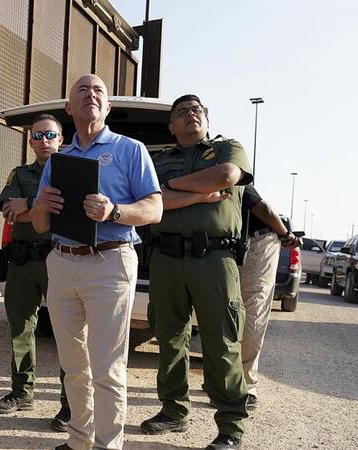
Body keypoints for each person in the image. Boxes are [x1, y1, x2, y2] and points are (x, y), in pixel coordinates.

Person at [31, 74, 163, 450]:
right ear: (69, 108)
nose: (91, 94)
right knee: (73, 366)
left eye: (99, 91)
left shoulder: (130, 150)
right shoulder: (57, 161)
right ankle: (78, 441)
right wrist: (41, 207)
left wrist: (115, 210)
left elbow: (155, 208)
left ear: (108, 107)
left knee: (107, 368)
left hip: (110, 262)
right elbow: (41, 224)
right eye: (82, 90)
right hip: (62, 262)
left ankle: (108, 445)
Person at [140, 94, 252, 450]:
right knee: (169, 338)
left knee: (221, 343)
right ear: (171, 125)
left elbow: (226, 176)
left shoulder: (225, 149)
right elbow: (151, 200)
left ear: (206, 119)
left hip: (214, 260)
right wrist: (198, 192)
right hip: (166, 259)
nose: (190, 115)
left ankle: (231, 426)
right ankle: (174, 411)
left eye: (196, 111)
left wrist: (170, 189)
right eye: (181, 112)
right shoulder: (158, 160)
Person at [0, 113, 71, 432]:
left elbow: (67, 212)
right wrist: (37, 208)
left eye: (50, 135)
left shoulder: (71, 173)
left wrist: (30, 203)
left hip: (59, 260)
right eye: (37, 136)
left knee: (68, 333)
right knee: (20, 327)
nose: (44, 141)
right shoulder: (20, 173)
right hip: (22, 262)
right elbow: (9, 211)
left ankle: (70, 403)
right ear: (30, 140)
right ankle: (22, 392)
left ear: (60, 140)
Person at [239, 184, 300, 409]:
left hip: (258, 243)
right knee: (226, 311)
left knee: (253, 311)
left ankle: (246, 385)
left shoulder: (227, 163)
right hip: (225, 244)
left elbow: (262, 209)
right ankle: (225, 377)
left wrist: (286, 234)